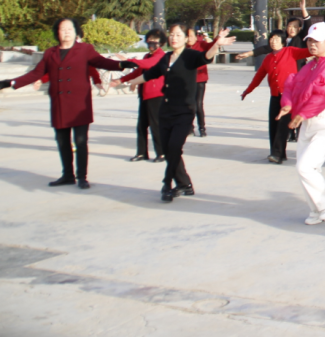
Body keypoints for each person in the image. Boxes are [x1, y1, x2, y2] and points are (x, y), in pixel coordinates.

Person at [0, 19, 136, 189]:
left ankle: (82, 177)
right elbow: (36, 73)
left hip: (79, 105)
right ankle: (67, 175)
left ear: (75, 31)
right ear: (57, 32)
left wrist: (121, 65)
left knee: (80, 141)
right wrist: (10, 83)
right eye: (62, 29)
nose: (66, 32)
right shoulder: (50, 53)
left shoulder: (85, 49)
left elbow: (101, 62)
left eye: (70, 29)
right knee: (62, 141)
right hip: (60, 104)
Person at [128, 24, 233, 202]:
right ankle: (185, 184)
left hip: (184, 111)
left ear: (185, 38)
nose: (174, 38)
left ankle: (167, 184)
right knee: (170, 151)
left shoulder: (190, 56)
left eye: (178, 35)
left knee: (175, 147)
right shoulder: (166, 58)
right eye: (171, 34)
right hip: (165, 111)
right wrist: (133, 82)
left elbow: (205, 57)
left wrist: (217, 44)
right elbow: (151, 74)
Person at [277, 22, 325, 225]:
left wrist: (302, 114)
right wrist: (287, 105)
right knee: (307, 169)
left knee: (305, 167)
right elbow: (292, 85)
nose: (312, 44)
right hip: (307, 121)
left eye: (316, 41)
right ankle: (316, 209)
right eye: (309, 40)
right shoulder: (310, 66)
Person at [240, 30, 311, 163]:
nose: (274, 41)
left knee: (283, 125)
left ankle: (277, 154)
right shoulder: (268, 59)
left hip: (289, 96)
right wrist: (247, 91)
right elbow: (258, 77)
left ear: (283, 41)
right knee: (273, 124)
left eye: (277, 39)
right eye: (272, 39)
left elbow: (308, 51)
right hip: (275, 95)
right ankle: (278, 152)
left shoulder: (291, 51)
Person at [113, 29, 167, 162]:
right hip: (144, 94)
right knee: (141, 125)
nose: (150, 44)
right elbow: (138, 71)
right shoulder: (146, 56)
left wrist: (129, 60)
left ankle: (161, 153)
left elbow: (148, 65)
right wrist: (121, 80)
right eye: (148, 42)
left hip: (156, 95)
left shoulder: (161, 56)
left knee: (155, 125)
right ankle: (141, 153)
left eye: (154, 42)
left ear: (160, 43)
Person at [185, 28, 219, 137]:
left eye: (191, 36)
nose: (189, 38)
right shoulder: (183, 48)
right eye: (187, 36)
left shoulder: (201, 45)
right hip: (187, 79)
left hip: (200, 78)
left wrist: (218, 38)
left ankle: (202, 128)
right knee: (189, 104)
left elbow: (212, 47)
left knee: (198, 104)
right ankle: (190, 128)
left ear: (196, 36)